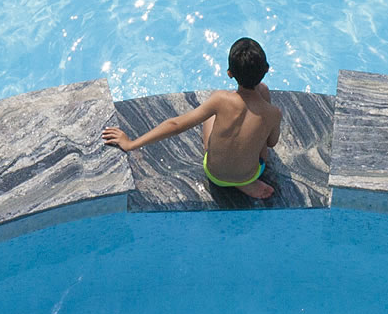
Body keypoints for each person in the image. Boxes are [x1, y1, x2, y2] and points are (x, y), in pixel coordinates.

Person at [101, 37, 281, 199]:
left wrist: (131, 143)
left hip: (214, 174)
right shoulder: (273, 113)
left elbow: (175, 124)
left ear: (230, 73)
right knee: (261, 123)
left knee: (211, 116)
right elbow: (271, 143)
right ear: (266, 69)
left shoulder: (220, 99)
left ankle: (236, 178)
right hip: (251, 173)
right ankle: (245, 182)